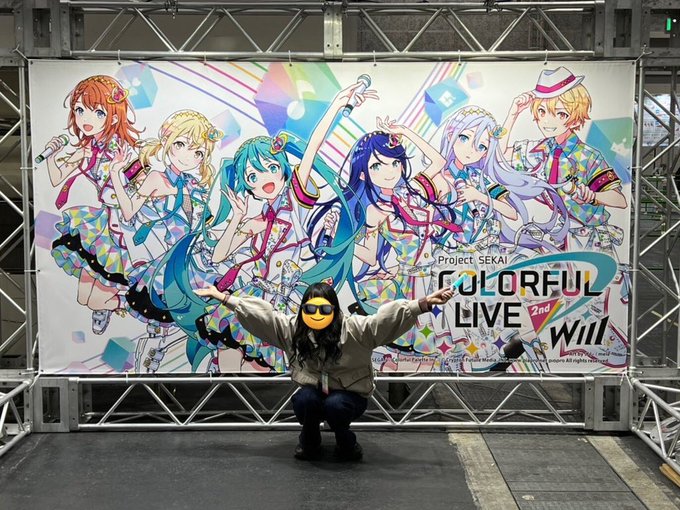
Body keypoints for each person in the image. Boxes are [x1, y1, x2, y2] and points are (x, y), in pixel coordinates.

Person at [194, 281, 454, 461]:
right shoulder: (295, 330)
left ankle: (346, 442)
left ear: (334, 309)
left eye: (324, 309)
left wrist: (423, 303)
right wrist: (223, 297)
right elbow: (264, 318)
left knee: (336, 405)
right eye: (310, 309)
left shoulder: (355, 330)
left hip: (350, 396)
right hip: (315, 392)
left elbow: (383, 321)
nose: (317, 314)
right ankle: (309, 442)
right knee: (304, 400)